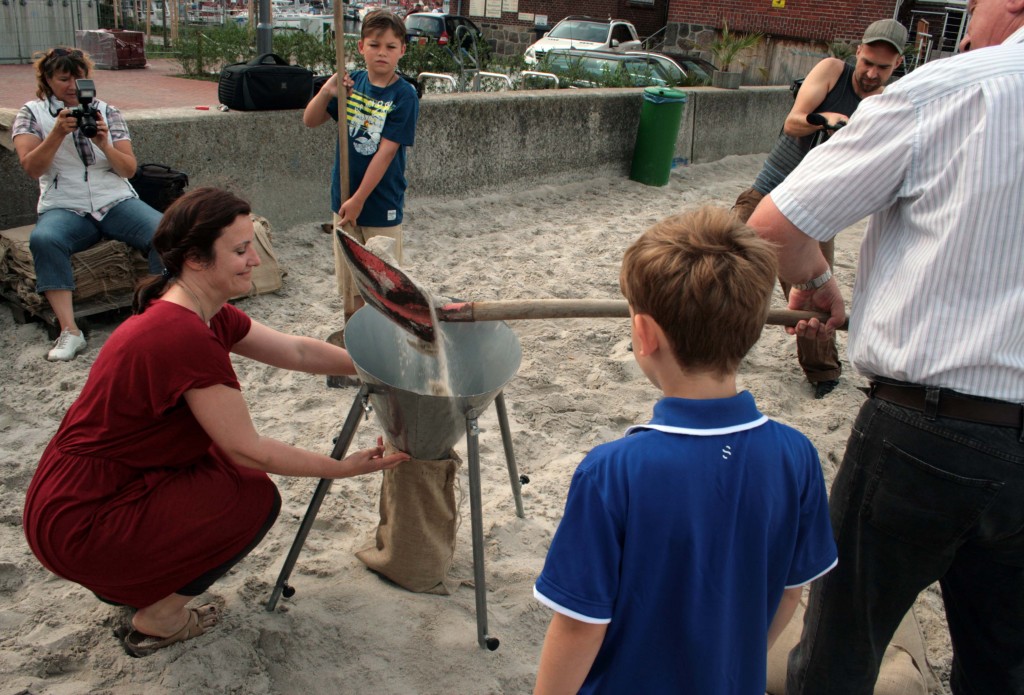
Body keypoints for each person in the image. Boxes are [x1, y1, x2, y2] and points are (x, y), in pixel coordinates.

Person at [747, 1, 1024, 691]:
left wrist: (815, 280)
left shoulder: (954, 87)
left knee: (839, 652)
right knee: (1004, 665)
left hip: (931, 430)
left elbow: (776, 224)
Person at [22, 187, 410, 657]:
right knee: (250, 497)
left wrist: (381, 366)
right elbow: (247, 448)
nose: (255, 259)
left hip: (84, 492)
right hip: (81, 519)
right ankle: (160, 618)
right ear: (196, 259)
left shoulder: (197, 310)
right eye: (241, 249)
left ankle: (128, 582)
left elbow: (297, 350)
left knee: (218, 469)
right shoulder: (181, 334)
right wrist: (343, 468)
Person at [532, 207, 837, 694]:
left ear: (644, 334)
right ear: (754, 327)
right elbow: (789, 590)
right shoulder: (796, 455)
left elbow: (579, 626)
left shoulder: (611, 473)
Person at [733, 19, 906, 399]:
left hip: (817, 212)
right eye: (868, 62)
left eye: (883, 67)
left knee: (814, 297)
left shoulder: (886, 106)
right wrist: (824, 121)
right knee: (715, 264)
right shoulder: (831, 70)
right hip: (768, 192)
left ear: (898, 66)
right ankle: (691, 340)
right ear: (858, 51)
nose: (872, 73)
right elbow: (793, 123)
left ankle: (822, 372)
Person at [12, 47, 164, 362]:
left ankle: (158, 314)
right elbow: (32, 168)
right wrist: (56, 134)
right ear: (48, 80)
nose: (71, 85)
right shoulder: (32, 113)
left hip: (114, 200)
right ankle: (70, 331)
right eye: (63, 79)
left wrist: (104, 144)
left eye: (78, 78)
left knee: (165, 232)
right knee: (44, 239)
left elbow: (128, 170)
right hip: (64, 204)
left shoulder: (107, 111)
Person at [303, 10, 419, 328]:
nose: (382, 52)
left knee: (385, 281)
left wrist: (359, 200)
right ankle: (355, 338)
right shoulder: (351, 83)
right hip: (342, 198)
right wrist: (327, 91)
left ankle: (384, 338)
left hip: (380, 202)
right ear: (361, 47)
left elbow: (385, 153)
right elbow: (310, 120)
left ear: (402, 51)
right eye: (375, 44)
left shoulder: (404, 96)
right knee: (351, 284)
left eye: (391, 46)